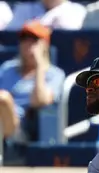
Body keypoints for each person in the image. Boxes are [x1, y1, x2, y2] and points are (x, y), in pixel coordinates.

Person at [0, 21, 65, 164]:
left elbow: (40, 100)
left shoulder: (54, 74)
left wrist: (39, 67)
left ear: (44, 45)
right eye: (24, 40)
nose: (28, 45)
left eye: (34, 41)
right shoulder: (7, 68)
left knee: (3, 99)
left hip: (23, 127)